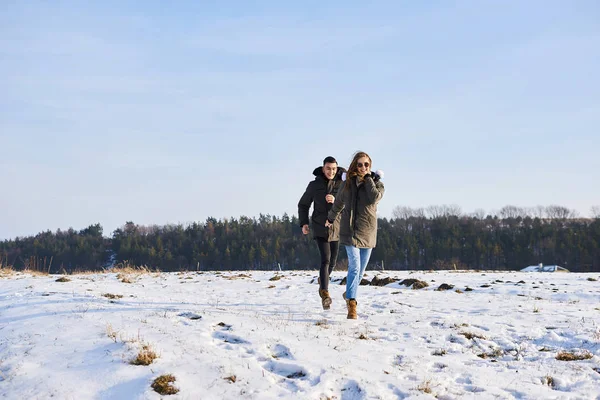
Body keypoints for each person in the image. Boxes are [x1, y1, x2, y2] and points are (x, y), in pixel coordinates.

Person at [325, 151, 384, 319]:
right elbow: (338, 204)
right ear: (354, 166)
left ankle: (350, 292)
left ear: (370, 166)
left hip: (368, 231)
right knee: (355, 266)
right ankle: (352, 304)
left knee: (360, 272)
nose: (363, 167)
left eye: (366, 165)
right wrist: (330, 219)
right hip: (349, 231)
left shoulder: (378, 185)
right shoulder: (347, 184)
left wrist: (368, 180)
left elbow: (374, 198)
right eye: (360, 164)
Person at [298, 156, 346, 310]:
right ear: (323, 168)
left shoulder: (343, 184)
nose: (331, 171)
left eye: (333, 169)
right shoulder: (314, 185)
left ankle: (322, 280)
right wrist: (304, 223)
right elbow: (303, 204)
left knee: (332, 262)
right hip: (320, 227)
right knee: (325, 259)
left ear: (337, 169)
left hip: (337, 228)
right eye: (328, 168)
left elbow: (349, 205)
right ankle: (325, 293)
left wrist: (336, 200)